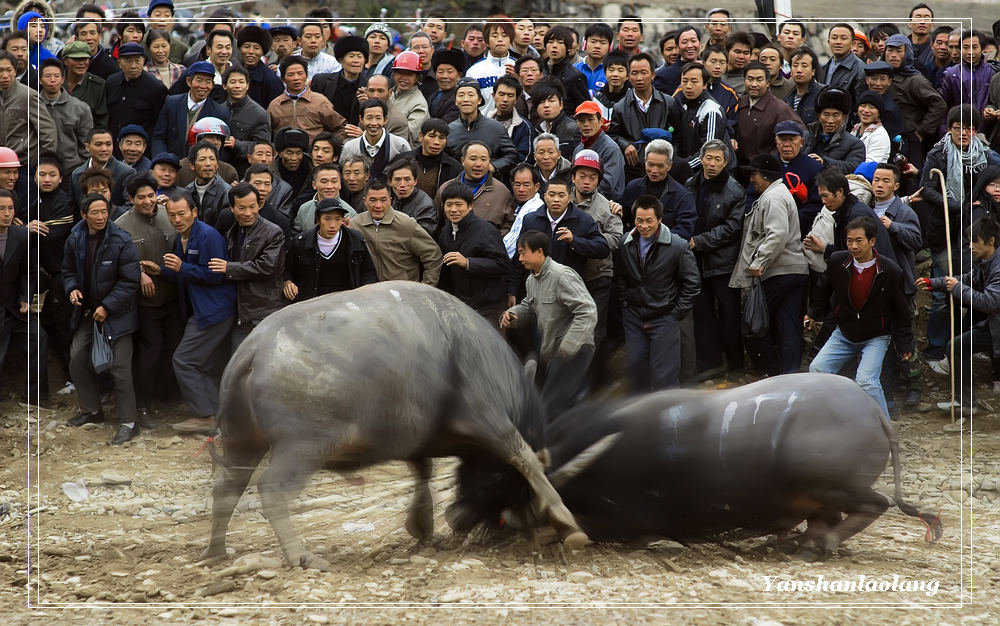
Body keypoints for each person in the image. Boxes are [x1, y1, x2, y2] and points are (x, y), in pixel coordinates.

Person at [806, 216, 913, 418]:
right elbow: (823, 287)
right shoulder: (838, 261)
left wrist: (904, 342)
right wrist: (813, 312)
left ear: (872, 241)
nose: (853, 246)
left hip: (876, 336)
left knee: (866, 381)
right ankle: (837, 416)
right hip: (845, 333)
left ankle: (882, 427)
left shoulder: (890, 271)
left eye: (859, 241)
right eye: (849, 241)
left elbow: (901, 310)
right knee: (818, 369)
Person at [919, 105, 1000, 372]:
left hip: (976, 237)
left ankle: (968, 347)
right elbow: (928, 189)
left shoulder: (987, 157)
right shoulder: (938, 154)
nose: (962, 133)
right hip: (944, 230)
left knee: (973, 289)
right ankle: (936, 348)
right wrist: (959, 205)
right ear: (949, 128)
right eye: (957, 127)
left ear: (976, 131)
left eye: (968, 128)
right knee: (944, 292)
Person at [63, 193, 141, 444]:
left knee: (120, 367)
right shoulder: (75, 238)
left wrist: (108, 306)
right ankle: (92, 410)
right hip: (88, 312)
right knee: (76, 358)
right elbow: (68, 271)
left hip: (119, 314)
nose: (100, 217)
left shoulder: (120, 239)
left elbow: (130, 281)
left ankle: (129, 421)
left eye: (104, 212)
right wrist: (72, 289)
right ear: (84, 215)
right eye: (94, 213)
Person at [161, 188, 236, 435]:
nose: (176, 220)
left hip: (214, 310)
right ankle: (217, 415)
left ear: (194, 212)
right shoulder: (180, 237)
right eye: (171, 215)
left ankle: (204, 416)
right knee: (201, 364)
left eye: (181, 214)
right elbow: (185, 273)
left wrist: (182, 267)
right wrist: (161, 271)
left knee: (184, 360)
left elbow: (215, 275)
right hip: (200, 309)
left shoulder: (208, 236)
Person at [501, 229, 597, 420]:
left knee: (551, 406)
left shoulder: (562, 275)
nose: (520, 259)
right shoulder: (531, 279)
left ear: (539, 252)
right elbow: (529, 306)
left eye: (523, 252)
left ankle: (550, 446)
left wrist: (571, 343)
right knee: (560, 403)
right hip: (553, 351)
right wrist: (513, 314)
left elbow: (587, 310)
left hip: (574, 349)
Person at [730, 154, 809, 376]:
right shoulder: (778, 194)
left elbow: (778, 233)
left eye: (754, 174)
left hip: (778, 272)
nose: (751, 179)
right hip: (795, 270)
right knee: (789, 326)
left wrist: (760, 261)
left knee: (753, 323)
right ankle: (789, 375)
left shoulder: (772, 198)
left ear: (765, 175)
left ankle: (769, 373)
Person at [614, 194, 700, 390]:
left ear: (659, 219)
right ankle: (641, 418)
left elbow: (692, 283)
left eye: (649, 221)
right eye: (639, 220)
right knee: (636, 370)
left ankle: (670, 418)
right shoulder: (625, 243)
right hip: (634, 316)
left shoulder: (677, 245)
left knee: (664, 375)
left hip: (664, 317)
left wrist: (676, 314)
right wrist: (625, 302)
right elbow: (620, 275)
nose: (643, 226)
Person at [114, 173, 179, 426]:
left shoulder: (169, 215)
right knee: (150, 353)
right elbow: (117, 263)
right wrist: (138, 273)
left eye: (151, 195)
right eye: (141, 197)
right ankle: (142, 406)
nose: (147, 201)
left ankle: (168, 397)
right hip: (145, 303)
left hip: (173, 297)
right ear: (131, 199)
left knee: (173, 348)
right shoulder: (121, 225)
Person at [919, 216, 1000, 403]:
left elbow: (991, 302)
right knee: (957, 346)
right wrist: (935, 283)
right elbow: (968, 279)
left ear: (991, 241)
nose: (970, 246)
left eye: (974, 241)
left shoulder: (997, 267)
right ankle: (965, 402)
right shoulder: (985, 262)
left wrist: (956, 288)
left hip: (996, 326)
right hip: (993, 326)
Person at [686, 139, 746, 379]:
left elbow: (732, 228)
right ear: (701, 159)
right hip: (694, 263)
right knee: (702, 316)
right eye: (708, 158)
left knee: (729, 315)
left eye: (717, 159)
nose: (711, 164)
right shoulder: (691, 183)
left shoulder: (734, 190)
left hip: (722, 264)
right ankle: (709, 366)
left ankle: (736, 366)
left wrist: (699, 241)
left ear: (726, 162)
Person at [870, 162, 924, 407]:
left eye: (885, 181)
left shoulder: (903, 212)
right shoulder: (867, 208)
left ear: (896, 185)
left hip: (901, 285)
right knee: (881, 337)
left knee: (904, 337)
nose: (879, 185)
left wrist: (893, 227)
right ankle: (888, 385)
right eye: (876, 180)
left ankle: (914, 385)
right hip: (876, 284)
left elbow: (916, 241)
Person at [212, 184, 286, 350]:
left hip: (264, 309)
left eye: (253, 207)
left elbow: (267, 267)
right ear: (232, 208)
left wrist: (229, 268)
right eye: (242, 208)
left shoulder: (273, 232)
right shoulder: (232, 231)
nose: (248, 213)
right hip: (240, 311)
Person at [435, 181, 510, 325]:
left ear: (470, 206)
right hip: (461, 304)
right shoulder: (445, 232)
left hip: (488, 307)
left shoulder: (485, 230)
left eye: (459, 204)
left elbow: (503, 264)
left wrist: (468, 263)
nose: (453, 209)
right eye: (449, 204)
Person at [0, 189, 47, 403]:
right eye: (1, 209)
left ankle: (34, 396)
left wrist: (26, 297)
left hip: (15, 308)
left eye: (10, 209)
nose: (7, 214)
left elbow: (28, 271)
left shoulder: (20, 235)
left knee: (38, 338)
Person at [349, 179, 442, 285]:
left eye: (383, 200)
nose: (378, 205)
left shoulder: (406, 224)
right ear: (365, 201)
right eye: (373, 200)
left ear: (390, 200)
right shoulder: (355, 224)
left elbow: (433, 255)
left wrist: (426, 288)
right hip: (370, 292)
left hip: (403, 291)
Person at [283, 198, 377, 303]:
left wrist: (363, 294)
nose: (332, 225)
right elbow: (287, 269)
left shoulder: (355, 240)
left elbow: (368, 272)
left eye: (337, 219)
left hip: (346, 303)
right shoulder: (301, 242)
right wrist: (287, 282)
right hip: (311, 303)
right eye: (327, 219)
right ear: (318, 220)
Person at [608, 53, 676, 181]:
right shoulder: (620, 107)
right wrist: (625, 145)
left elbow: (679, 136)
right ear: (628, 77)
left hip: (663, 168)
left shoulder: (668, 103)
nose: (639, 78)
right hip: (634, 168)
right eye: (634, 73)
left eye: (644, 72)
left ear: (653, 75)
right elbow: (613, 135)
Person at [151, 61, 229, 160]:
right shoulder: (172, 103)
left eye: (208, 82)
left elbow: (222, 148)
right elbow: (158, 137)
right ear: (188, 81)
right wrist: (161, 160)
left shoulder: (220, 112)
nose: (203, 86)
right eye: (199, 80)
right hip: (170, 164)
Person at [734, 61, 803, 170]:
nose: (754, 84)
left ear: (767, 83)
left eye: (759, 80)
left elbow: (801, 134)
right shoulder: (737, 104)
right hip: (738, 169)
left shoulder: (779, 108)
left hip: (764, 171)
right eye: (750, 79)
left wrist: (772, 159)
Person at [446, 77, 521, 178]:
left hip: (489, 185)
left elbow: (512, 155)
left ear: (479, 100)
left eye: (471, 95)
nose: (466, 99)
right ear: (455, 101)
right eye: (461, 95)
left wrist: (493, 167)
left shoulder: (495, 127)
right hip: (457, 186)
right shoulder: (449, 130)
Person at [620, 140, 696, 237]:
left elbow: (685, 230)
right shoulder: (632, 187)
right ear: (645, 161)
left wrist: (656, 240)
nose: (654, 171)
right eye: (650, 164)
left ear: (669, 166)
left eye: (660, 166)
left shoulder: (683, 196)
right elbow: (621, 217)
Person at [434, 141, 513, 234]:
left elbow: (509, 225)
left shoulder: (502, 192)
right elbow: (437, 222)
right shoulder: (446, 188)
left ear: (489, 162)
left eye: (483, 159)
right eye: (473, 159)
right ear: (463, 161)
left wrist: (494, 242)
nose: (478, 164)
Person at [268, 56, 346, 143]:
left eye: (300, 73)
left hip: (314, 153)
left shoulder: (320, 101)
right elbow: (267, 133)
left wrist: (331, 146)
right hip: (285, 154)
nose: (296, 78)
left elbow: (340, 127)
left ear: (306, 75)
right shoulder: (275, 105)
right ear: (283, 79)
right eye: (290, 75)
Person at [0, 49, 57, 168]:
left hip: (25, 163)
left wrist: (42, 163)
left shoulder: (29, 96)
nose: (5, 75)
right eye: (0, 70)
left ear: (15, 71)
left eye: (9, 70)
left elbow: (47, 132)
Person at [105, 42, 168, 144]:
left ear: (143, 62)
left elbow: (160, 124)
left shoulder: (156, 88)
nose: (133, 66)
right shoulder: (111, 82)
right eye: (128, 61)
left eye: (137, 60)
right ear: (119, 63)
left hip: (141, 147)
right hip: (114, 144)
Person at [37, 58, 92, 172]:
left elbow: (86, 142)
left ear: (62, 79)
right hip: (41, 167)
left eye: (56, 76)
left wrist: (81, 166)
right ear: (40, 80)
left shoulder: (80, 107)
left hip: (71, 168)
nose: (52, 80)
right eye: (48, 76)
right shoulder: (33, 105)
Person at [672, 63, 729, 173]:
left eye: (694, 81)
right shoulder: (685, 104)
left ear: (704, 85)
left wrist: (681, 167)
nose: (688, 86)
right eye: (684, 81)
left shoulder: (711, 110)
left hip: (709, 173)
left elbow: (709, 152)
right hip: (689, 169)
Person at [340, 99, 411, 181]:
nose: (373, 123)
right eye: (369, 118)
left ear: (385, 120)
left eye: (378, 118)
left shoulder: (400, 144)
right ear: (361, 119)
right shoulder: (350, 147)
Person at [802, 88, 867, 175]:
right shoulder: (805, 137)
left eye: (835, 115)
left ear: (843, 117)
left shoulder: (855, 144)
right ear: (819, 116)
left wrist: (824, 163)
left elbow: (853, 167)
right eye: (826, 114)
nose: (830, 121)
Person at [70, 128, 135, 207]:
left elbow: (130, 206)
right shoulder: (77, 174)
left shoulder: (126, 172)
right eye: (98, 144)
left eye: (108, 144)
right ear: (87, 147)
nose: (104, 149)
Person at [465, 18, 516, 112]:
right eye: (495, 35)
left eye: (504, 35)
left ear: (510, 41)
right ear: (487, 42)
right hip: (483, 124)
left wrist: (518, 80)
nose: (500, 39)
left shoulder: (519, 67)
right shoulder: (474, 71)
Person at [61, 40, 110, 130]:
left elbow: (101, 122)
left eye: (85, 59)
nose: (82, 63)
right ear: (65, 61)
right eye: (76, 59)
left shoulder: (97, 85)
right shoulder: (55, 81)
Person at [541, 25, 589, 113]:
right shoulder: (540, 71)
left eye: (560, 42)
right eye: (550, 42)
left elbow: (585, 109)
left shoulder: (575, 76)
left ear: (568, 48)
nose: (554, 46)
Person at [235, 24, 284, 111]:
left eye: (256, 48)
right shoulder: (233, 72)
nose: (250, 52)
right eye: (246, 46)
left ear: (263, 51)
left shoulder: (271, 80)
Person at [386, 51, 430, 146]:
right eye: (400, 73)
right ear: (394, 74)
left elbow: (407, 135)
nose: (404, 78)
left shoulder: (419, 104)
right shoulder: (390, 93)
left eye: (409, 74)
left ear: (417, 78)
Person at [183, 141, 230, 228]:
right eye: (202, 159)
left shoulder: (226, 193)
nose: (208, 164)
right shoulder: (188, 191)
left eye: (212, 159)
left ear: (217, 165)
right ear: (192, 165)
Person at [530, 77, 580, 160]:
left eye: (551, 100)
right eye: (541, 102)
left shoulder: (574, 129)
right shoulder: (536, 130)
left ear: (561, 104)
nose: (546, 105)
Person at [488, 75, 533, 163]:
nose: (505, 99)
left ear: (516, 99)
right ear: (493, 96)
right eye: (501, 94)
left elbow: (525, 157)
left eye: (510, 95)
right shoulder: (483, 122)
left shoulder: (524, 126)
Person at [387, 160, 437, 235]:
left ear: (415, 181)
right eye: (397, 179)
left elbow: (422, 236)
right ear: (389, 182)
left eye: (407, 179)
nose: (402, 184)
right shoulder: (390, 198)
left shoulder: (426, 206)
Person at [821, 23, 867, 101]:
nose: (838, 42)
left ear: (852, 43)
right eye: (834, 38)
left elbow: (859, 102)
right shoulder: (823, 67)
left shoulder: (860, 69)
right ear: (828, 42)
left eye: (843, 38)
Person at [784, 47, 825, 128]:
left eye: (804, 66)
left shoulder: (823, 94)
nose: (799, 70)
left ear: (813, 71)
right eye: (795, 65)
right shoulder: (787, 98)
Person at [852, 91, 892, 165]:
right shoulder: (855, 129)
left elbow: (869, 164)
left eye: (872, 107)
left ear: (879, 112)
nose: (866, 110)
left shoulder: (880, 135)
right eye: (863, 106)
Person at [427, 48, 464, 123]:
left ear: (459, 75)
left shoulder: (459, 98)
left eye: (449, 72)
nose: (444, 76)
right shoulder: (433, 95)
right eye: (440, 72)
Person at [577, 22, 613, 96]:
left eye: (603, 43)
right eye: (593, 42)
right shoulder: (574, 69)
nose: (597, 46)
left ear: (610, 47)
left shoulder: (613, 72)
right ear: (584, 43)